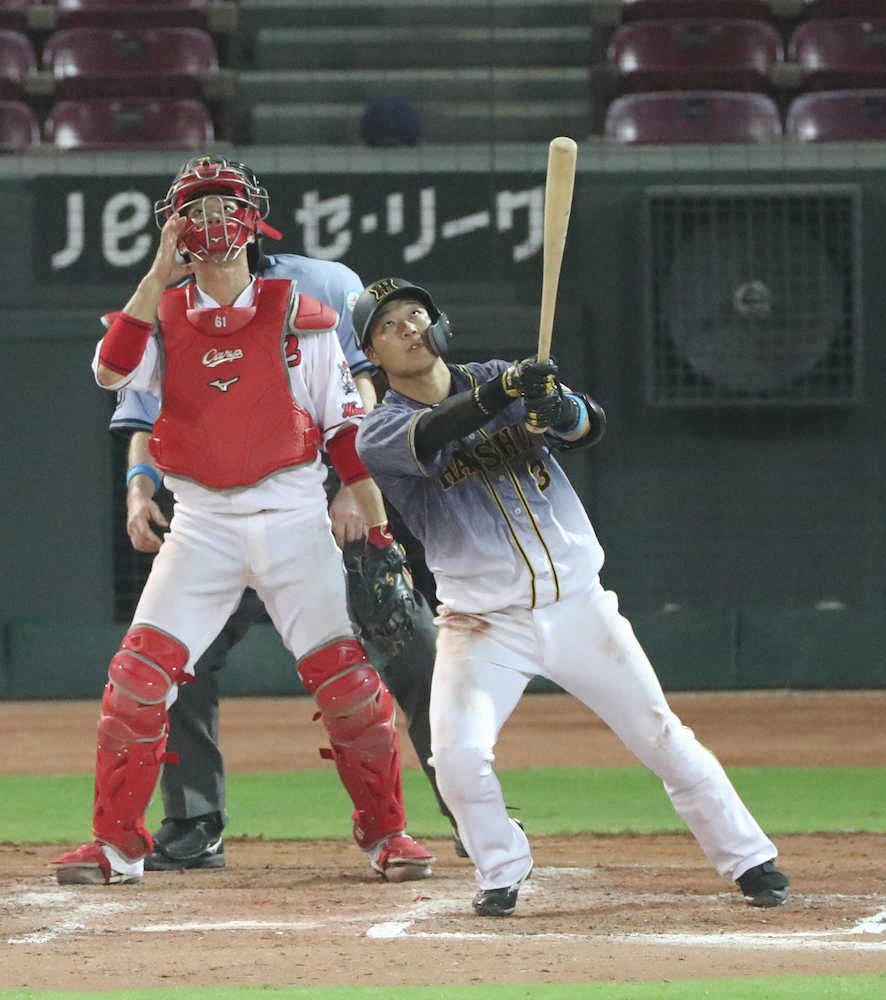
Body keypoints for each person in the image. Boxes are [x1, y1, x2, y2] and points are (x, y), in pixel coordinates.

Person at [351, 277, 791, 917]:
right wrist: (503, 395)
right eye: (388, 325)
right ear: (373, 355)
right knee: (457, 757)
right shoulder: (380, 431)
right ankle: (501, 866)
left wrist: (557, 411)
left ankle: (749, 859)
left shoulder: (501, 376)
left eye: (416, 314)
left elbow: (591, 428)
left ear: (440, 324)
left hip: (580, 607)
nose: (408, 328)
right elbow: (434, 434)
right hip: (484, 625)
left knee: (661, 734)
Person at [52, 158, 435, 887]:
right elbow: (109, 371)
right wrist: (158, 273)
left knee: (348, 684)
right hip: (201, 523)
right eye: (193, 210)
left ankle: (386, 833)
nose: (211, 220)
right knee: (136, 681)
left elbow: (343, 432)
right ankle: (117, 845)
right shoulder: (157, 315)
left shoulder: (302, 310)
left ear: (255, 217)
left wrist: (378, 530)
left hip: (293, 513)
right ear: (173, 226)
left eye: (224, 205)